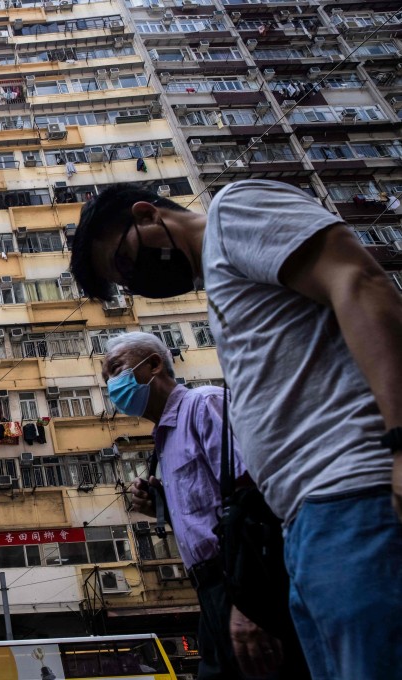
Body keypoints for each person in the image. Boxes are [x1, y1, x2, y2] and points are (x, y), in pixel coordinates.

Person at [68, 180, 402, 680]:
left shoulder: (232, 211)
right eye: (122, 284)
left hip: (353, 490)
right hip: (306, 522)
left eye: (123, 264)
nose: (132, 285)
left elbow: (358, 283)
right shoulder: (223, 298)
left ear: (147, 216)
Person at [104, 332, 308, 680]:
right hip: (210, 592)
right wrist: (162, 507)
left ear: (154, 364)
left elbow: (255, 501)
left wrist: (250, 606)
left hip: (245, 583)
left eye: (117, 369)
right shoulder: (164, 440)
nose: (112, 384)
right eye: (107, 377)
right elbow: (209, 510)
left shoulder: (204, 404)